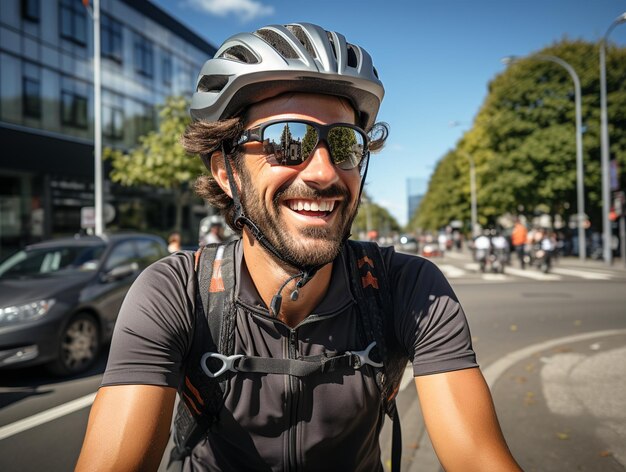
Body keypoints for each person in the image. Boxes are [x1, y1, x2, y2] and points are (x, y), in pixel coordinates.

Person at [76, 22, 521, 472]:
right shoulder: (175, 293)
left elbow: (478, 457)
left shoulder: (408, 287)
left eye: (344, 144)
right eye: (286, 142)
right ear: (227, 172)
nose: (325, 173)